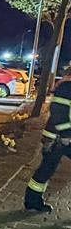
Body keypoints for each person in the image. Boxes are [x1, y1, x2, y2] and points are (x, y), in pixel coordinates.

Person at [24, 66, 71, 212]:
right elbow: (58, 112)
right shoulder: (66, 87)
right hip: (57, 139)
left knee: (46, 168)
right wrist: (66, 134)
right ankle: (32, 202)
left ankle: (32, 202)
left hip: (62, 138)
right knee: (46, 169)